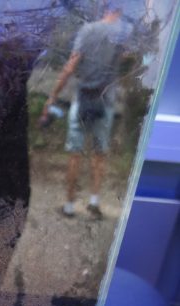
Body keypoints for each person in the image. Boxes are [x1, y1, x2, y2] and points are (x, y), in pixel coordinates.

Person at [41, 4, 127, 219]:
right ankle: (94, 203)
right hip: (106, 102)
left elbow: (71, 66)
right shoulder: (124, 33)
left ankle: (69, 206)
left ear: (104, 7)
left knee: (75, 154)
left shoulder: (88, 30)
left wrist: (53, 96)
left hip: (84, 99)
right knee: (99, 154)